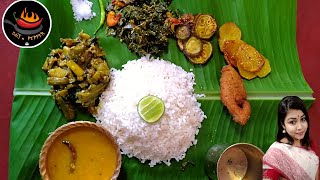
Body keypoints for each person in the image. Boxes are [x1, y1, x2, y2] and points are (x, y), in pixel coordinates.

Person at [263, 96, 319, 180]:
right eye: (292, 122)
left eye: (303, 119)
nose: (300, 127)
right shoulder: (276, 153)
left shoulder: (309, 144)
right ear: (283, 124)